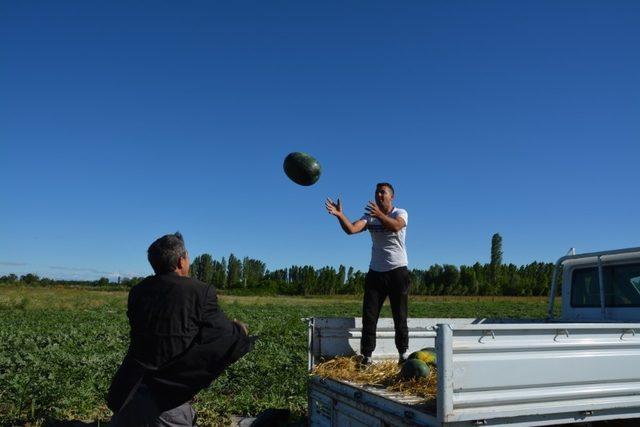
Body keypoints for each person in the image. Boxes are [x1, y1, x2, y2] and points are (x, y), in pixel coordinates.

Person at [107, 232, 254, 426]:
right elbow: (223, 336)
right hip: (166, 402)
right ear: (180, 261)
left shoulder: (138, 291)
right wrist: (240, 331)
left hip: (127, 393)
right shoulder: (200, 291)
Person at [325, 183, 410, 366]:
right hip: (375, 273)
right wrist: (340, 215)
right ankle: (367, 357)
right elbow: (351, 229)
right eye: (377, 192)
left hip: (398, 271)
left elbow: (396, 227)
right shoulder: (369, 217)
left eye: (383, 192)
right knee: (369, 317)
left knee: (400, 316)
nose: (379, 195)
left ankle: (403, 355)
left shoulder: (400, 213)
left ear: (391, 197)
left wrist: (379, 215)